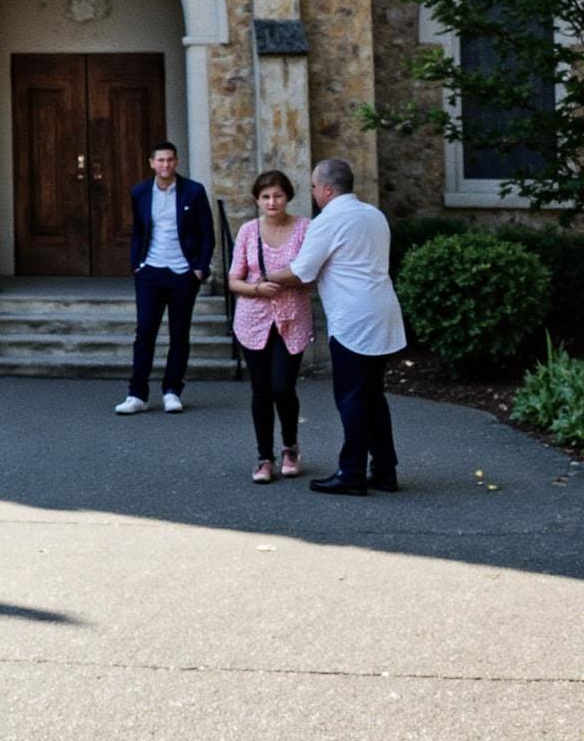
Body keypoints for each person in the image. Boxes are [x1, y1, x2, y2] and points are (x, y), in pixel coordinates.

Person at [264, 157, 406, 496]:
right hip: (383, 311)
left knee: (352, 398)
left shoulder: (328, 220)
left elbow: (302, 271)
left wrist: (265, 277)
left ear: (327, 189)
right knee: (373, 396)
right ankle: (385, 470)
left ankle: (351, 472)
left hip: (354, 319)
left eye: (313, 187)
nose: (312, 193)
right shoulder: (374, 215)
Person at [114, 139, 214, 415]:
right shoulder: (141, 192)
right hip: (151, 272)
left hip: (184, 272)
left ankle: (172, 390)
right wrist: (137, 263)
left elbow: (207, 233)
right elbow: (138, 231)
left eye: (170, 160)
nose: (165, 165)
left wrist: (200, 267)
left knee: (179, 334)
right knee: (145, 332)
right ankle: (137, 394)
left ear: (177, 162)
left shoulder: (193, 192)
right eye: (160, 160)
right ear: (151, 163)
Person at [226, 169, 313, 481]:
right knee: (260, 390)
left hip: (292, 318)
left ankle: (291, 446)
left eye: (277, 195)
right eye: (265, 196)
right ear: (257, 200)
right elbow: (234, 280)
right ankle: (264, 457)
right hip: (253, 319)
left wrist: (281, 280)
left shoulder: (305, 228)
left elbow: (310, 273)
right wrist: (256, 289)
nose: (272, 201)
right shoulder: (249, 231)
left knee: (283, 387)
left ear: (288, 196)